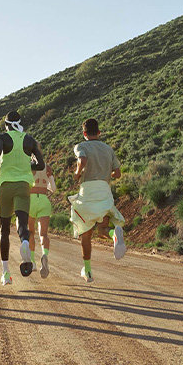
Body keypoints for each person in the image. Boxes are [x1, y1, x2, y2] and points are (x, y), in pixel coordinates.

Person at [0, 111, 45, 285]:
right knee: (22, 223)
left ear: (5, 124)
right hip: (23, 185)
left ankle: (6, 273)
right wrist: (27, 165)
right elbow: (41, 164)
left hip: (5, 185)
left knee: (4, 229)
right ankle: (24, 242)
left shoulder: (1, 137)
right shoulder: (30, 140)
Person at [70, 118, 126, 283]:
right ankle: (113, 235)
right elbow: (118, 173)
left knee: (86, 234)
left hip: (88, 192)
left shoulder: (81, 146)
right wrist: (107, 174)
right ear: (99, 132)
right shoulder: (108, 149)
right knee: (102, 229)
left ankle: (87, 272)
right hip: (104, 191)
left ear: (84, 133)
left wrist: (77, 173)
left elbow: (82, 160)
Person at [28, 145, 55, 279]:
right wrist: (45, 185)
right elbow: (53, 189)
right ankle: (44, 254)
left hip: (30, 201)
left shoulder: (28, 166)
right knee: (43, 234)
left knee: (30, 233)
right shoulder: (47, 167)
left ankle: (32, 261)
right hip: (44, 201)